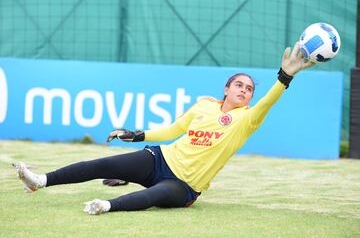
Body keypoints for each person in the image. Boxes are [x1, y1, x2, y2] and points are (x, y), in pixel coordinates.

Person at [13, 43, 315, 215]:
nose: (244, 90)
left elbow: (268, 102)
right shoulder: (204, 105)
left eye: (249, 89)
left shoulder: (247, 119)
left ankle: (105, 205)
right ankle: (40, 180)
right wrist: (136, 135)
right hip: (160, 158)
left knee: (156, 196)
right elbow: (173, 130)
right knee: (102, 164)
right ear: (226, 88)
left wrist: (284, 77)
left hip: (184, 187)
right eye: (239, 84)